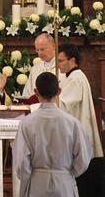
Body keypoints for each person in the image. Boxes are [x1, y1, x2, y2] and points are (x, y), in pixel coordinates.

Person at [12, 72, 92, 197]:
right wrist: (66, 173)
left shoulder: (27, 123)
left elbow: (22, 162)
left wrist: (28, 177)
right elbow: (83, 158)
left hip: (37, 184)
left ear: (36, 92)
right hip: (64, 183)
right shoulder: (72, 122)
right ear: (59, 91)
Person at [58, 43, 104, 197]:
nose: (58, 65)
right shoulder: (74, 77)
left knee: (82, 182)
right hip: (78, 132)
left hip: (79, 135)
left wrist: (43, 104)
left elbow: (63, 105)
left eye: (61, 61)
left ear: (72, 61)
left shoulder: (75, 79)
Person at [21, 33, 65, 99]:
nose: (40, 53)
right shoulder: (36, 68)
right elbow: (27, 93)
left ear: (53, 46)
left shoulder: (62, 67)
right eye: (37, 50)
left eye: (42, 49)